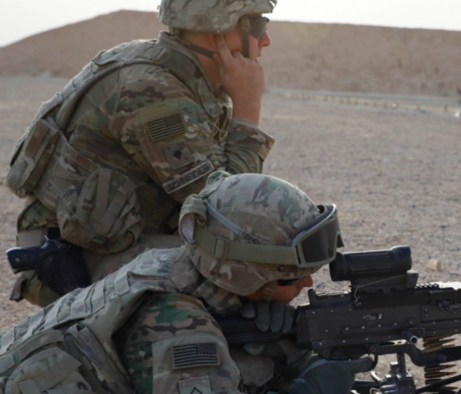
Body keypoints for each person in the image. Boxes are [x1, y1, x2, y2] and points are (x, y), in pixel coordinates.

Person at [5, 0, 278, 307]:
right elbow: (227, 212)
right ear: (214, 34)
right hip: (67, 257)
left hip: (109, 232)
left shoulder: (176, 71)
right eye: (257, 27)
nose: (266, 40)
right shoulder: (153, 90)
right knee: (242, 280)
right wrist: (248, 109)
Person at [0, 172, 373, 394]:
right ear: (247, 277)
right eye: (290, 276)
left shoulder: (170, 264)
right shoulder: (177, 324)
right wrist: (311, 389)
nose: (308, 282)